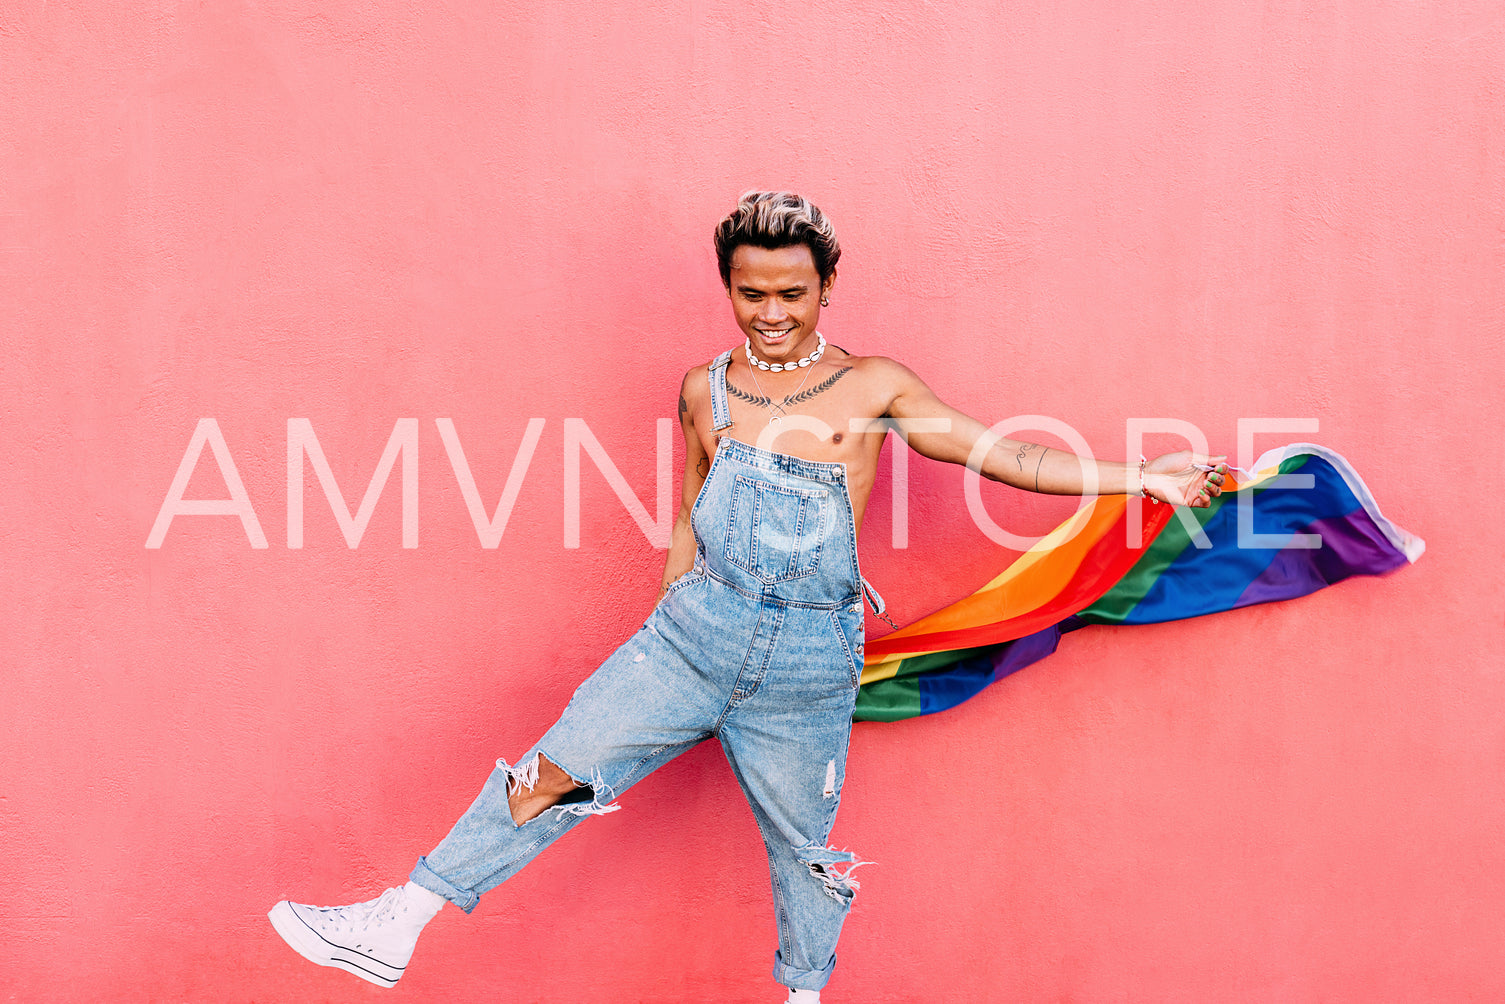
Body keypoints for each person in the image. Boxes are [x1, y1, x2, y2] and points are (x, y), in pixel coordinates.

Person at [268, 191, 1227, 1002]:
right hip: (689, 637)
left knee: (799, 850)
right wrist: (668, 606)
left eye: (792, 294)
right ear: (727, 285)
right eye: (750, 292)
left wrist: (1142, 476)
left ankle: (802, 997)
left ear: (827, 287)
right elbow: (690, 505)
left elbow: (1004, 453)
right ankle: (399, 920)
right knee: (552, 771)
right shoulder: (703, 388)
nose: (771, 312)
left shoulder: (872, 385)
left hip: (808, 661)